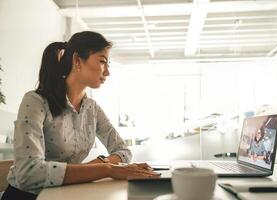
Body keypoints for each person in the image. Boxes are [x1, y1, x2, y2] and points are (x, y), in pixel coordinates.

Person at [1, 31, 159, 200]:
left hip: (67, 194)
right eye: (102, 61)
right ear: (77, 61)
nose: (107, 72)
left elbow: (123, 150)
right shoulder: (35, 101)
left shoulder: (92, 108)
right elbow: (29, 172)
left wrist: (94, 167)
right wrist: (107, 169)